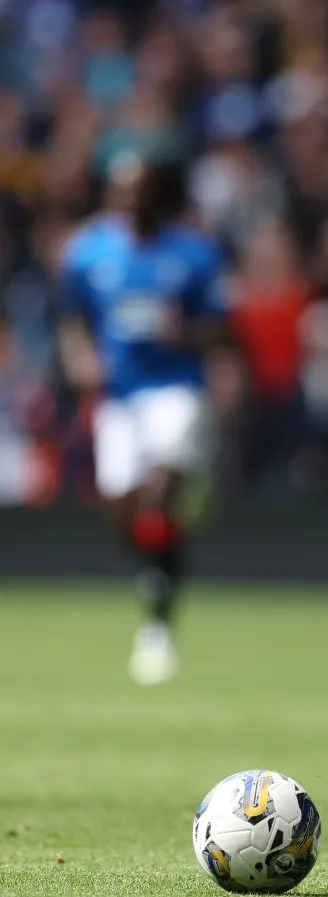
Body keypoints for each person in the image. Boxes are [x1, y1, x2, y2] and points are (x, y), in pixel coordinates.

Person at [59, 154, 229, 685]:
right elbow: (72, 320)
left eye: (140, 190)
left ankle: (156, 629)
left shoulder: (195, 253)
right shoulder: (89, 250)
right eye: (121, 190)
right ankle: (172, 529)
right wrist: (78, 360)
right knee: (122, 507)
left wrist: (187, 333)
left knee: (157, 488)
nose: (130, 199)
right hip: (119, 394)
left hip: (174, 389)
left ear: (160, 195)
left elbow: (222, 329)